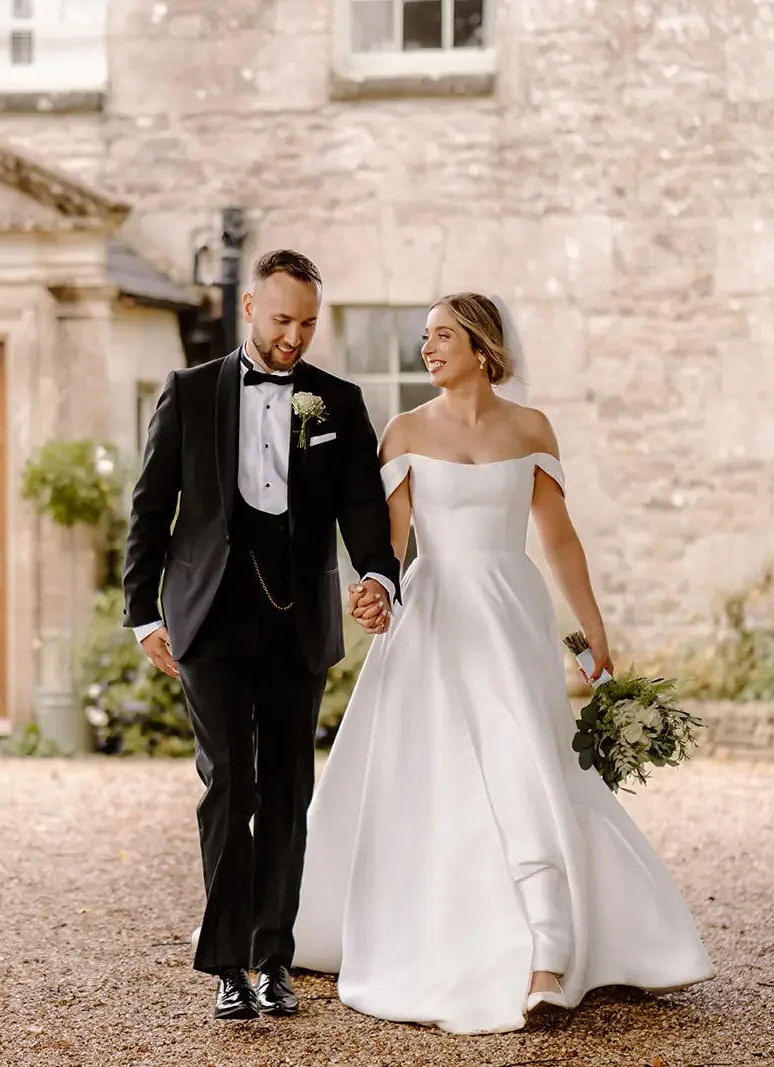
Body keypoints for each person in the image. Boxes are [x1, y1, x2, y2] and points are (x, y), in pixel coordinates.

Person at [291, 292, 716, 1035]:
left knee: (527, 758)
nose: (428, 349)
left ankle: (550, 950)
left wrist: (594, 636)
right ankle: (508, 940)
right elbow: (391, 547)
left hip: (510, 610)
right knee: (447, 769)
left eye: (443, 336)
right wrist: (373, 593)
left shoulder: (530, 429)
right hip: (435, 616)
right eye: (425, 338)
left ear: (482, 348)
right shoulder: (404, 431)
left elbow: (558, 539)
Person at [122, 249, 400, 1020]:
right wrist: (143, 612)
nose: (294, 337)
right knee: (228, 784)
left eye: (308, 323)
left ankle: (274, 958)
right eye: (282, 320)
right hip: (206, 616)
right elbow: (151, 510)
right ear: (250, 307)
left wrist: (378, 576)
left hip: (297, 619)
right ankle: (226, 966)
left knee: (286, 787)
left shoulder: (336, 401)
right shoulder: (189, 391)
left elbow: (364, 512)